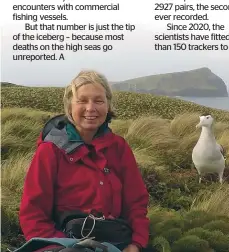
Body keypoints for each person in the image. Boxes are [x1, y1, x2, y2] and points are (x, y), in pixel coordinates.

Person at [19, 70, 149, 252]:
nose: (90, 108)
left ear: (108, 105)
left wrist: (135, 244)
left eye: (98, 101)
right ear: (69, 106)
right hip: (62, 245)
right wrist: (58, 248)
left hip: (116, 242)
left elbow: (136, 204)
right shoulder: (50, 151)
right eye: (82, 100)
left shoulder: (118, 147)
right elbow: (33, 214)